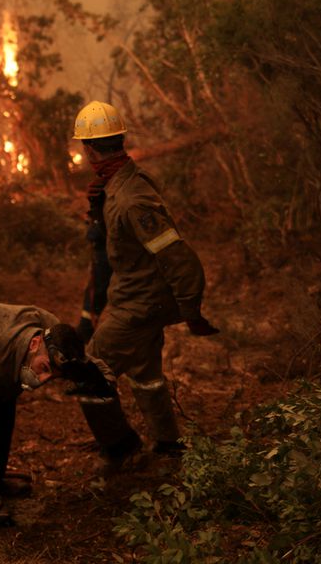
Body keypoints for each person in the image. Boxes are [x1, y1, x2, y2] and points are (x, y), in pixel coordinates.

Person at [71, 101, 220, 474]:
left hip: (138, 304)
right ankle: (169, 446)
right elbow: (116, 250)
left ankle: (120, 450)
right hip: (135, 298)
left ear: (89, 150)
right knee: (145, 372)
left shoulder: (132, 199)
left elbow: (176, 255)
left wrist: (191, 310)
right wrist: (98, 211)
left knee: (90, 375)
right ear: (120, 140)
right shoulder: (122, 184)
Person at [0, 295, 116, 528]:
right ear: (34, 344)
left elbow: (83, 358)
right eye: (45, 369)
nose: (43, 380)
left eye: (53, 376)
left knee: (6, 404)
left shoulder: (49, 326)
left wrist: (105, 378)